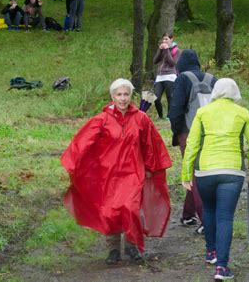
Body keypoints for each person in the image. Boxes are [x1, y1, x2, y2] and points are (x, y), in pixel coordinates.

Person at [61, 78, 172, 265]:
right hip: (108, 174)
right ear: (112, 96)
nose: (122, 98)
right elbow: (83, 142)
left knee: (130, 208)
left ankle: (131, 244)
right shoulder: (101, 120)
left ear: (131, 96)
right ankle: (113, 249)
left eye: (126, 94)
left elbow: (150, 144)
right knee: (109, 212)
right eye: (119, 94)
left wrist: (150, 167)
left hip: (133, 173)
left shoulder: (141, 118)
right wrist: (74, 162)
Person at [181, 78, 249, 280]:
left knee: (208, 210)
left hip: (205, 170)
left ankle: (211, 253)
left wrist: (185, 173)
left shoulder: (203, 112)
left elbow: (191, 145)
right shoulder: (242, 113)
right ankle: (222, 268)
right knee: (225, 217)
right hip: (232, 171)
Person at [169, 49, 217, 233]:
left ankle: (206, 219)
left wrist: (178, 132)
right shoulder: (213, 79)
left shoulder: (182, 79)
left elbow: (176, 110)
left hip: (189, 133)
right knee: (196, 171)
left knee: (195, 174)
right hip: (212, 132)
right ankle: (188, 215)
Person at [152, 33, 180, 119]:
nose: (164, 41)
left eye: (166, 39)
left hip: (170, 75)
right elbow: (155, 61)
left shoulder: (176, 50)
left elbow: (172, 63)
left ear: (171, 39)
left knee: (170, 97)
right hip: (160, 76)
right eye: (163, 39)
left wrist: (167, 50)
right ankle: (160, 116)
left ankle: (169, 116)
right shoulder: (162, 49)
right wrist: (160, 50)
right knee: (156, 97)